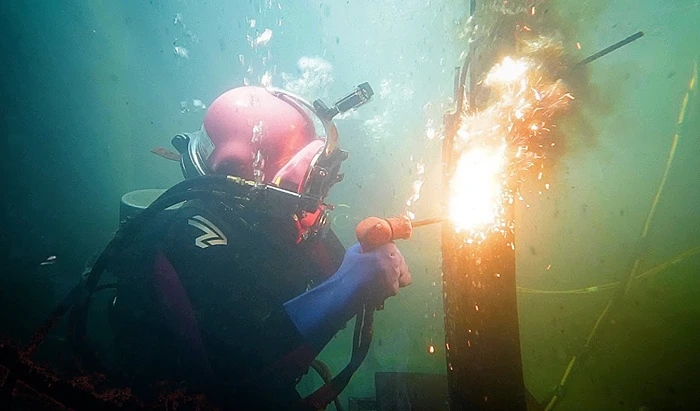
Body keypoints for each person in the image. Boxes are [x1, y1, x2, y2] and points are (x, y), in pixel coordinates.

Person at [107, 85, 412, 409]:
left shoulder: (282, 221)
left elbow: (336, 272)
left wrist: (366, 259)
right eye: (305, 194)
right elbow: (238, 371)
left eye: (317, 191)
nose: (316, 211)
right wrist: (346, 288)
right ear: (249, 189)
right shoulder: (186, 243)